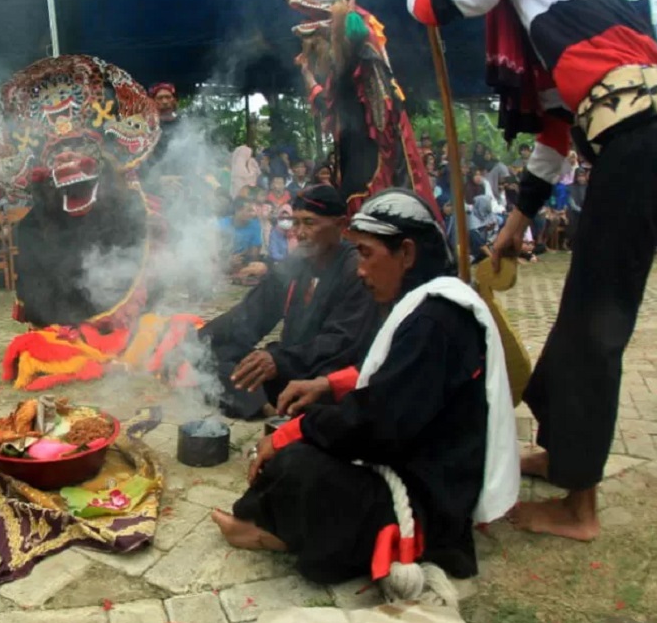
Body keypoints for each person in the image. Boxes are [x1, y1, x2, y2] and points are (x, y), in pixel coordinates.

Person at [399, 0, 657, 540]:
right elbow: (557, 131)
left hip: (642, 141)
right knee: (580, 311)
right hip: (636, 142)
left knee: (598, 323)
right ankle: (564, 455)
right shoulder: (556, 4)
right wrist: (514, 225)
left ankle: (578, 507)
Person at [211, 190, 519, 589]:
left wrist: (299, 429)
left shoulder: (435, 322)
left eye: (367, 253)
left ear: (406, 254)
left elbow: (374, 427)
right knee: (299, 443)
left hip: (428, 499)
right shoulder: (421, 307)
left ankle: (281, 532)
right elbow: (386, 392)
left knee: (301, 465)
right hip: (406, 456)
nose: (359, 269)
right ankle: (275, 518)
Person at [200, 186, 379, 420]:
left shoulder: (355, 269)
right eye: (295, 223)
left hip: (321, 369)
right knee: (214, 355)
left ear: (340, 224)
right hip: (286, 367)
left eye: (309, 222)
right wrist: (199, 338)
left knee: (333, 387)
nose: (300, 233)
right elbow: (251, 313)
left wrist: (279, 359)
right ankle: (267, 407)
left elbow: (340, 342)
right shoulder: (297, 261)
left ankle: (269, 405)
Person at [219, 197, 265, 282]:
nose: (252, 214)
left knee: (260, 267)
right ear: (237, 210)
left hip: (242, 262)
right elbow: (212, 250)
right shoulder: (221, 225)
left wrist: (243, 261)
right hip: (222, 261)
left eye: (253, 211)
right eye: (249, 210)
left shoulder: (255, 226)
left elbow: (254, 255)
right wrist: (228, 260)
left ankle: (237, 276)